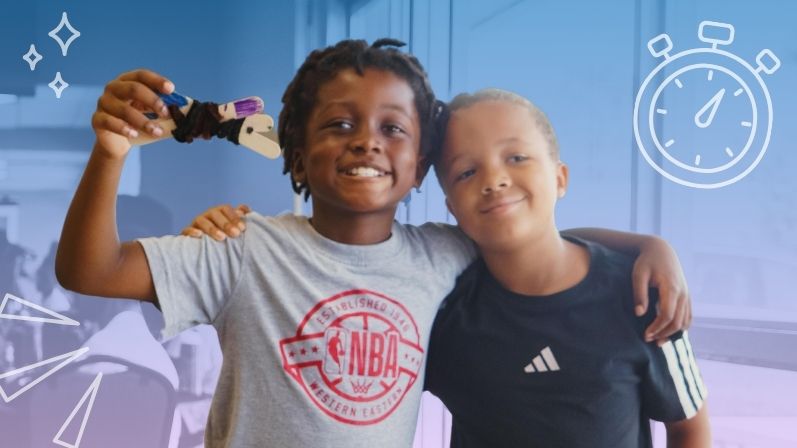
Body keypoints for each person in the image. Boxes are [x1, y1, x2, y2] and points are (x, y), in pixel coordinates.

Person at [56, 39, 690, 447]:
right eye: (338, 124)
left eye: (393, 128)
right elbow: (90, 270)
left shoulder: (440, 254)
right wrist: (110, 154)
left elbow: (521, 231)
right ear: (298, 155)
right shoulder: (243, 250)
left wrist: (646, 245)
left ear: (418, 170)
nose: (366, 141)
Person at [422, 89, 710, 447]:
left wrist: (651, 246)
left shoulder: (640, 293)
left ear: (560, 179)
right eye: (466, 172)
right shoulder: (444, 313)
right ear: (452, 208)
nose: (494, 180)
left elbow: (688, 428)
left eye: (516, 157)